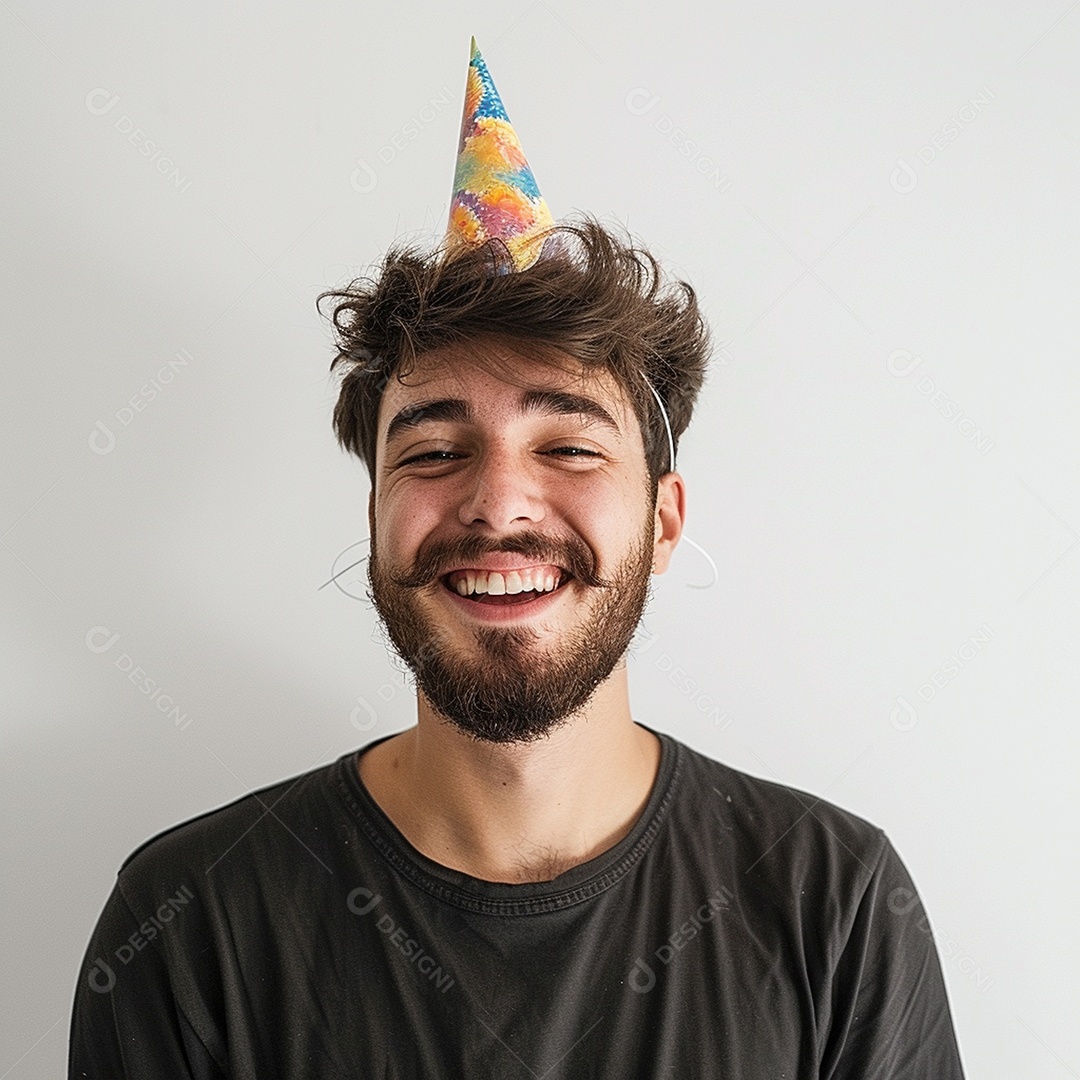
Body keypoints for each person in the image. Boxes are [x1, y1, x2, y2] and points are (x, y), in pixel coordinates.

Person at [69, 39, 966, 1079]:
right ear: (375, 520)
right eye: (438, 451)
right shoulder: (192, 922)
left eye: (571, 447)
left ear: (664, 522)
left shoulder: (834, 903)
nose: (497, 504)